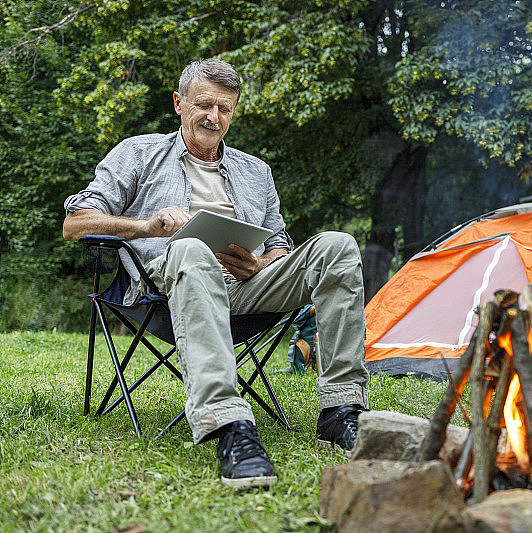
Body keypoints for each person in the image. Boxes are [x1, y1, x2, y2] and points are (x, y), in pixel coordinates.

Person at [63, 58, 369, 489]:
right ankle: (230, 426)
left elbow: (279, 244)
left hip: (247, 286)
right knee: (190, 247)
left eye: (225, 108)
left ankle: (341, 410)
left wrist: (261, 264)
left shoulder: (256, 171)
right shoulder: (138, 153)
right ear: (179, 103)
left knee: (338, 245)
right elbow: (75, 223)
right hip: (165, 286)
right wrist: (146, 226)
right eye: (204, 105)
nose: (214, 117)